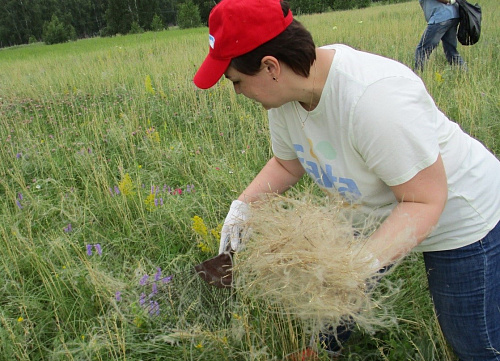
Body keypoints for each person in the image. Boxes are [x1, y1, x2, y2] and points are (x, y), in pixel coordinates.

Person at [193, 0, 500, 359]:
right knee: (331, 283)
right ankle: (323, 351)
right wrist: (244, 206)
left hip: (457, 216)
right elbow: (288, 163)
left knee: (475, 341)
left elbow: (425, 200)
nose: (239, 92)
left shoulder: (374, 99)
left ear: (270, 66)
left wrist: (361, 264)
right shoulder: (287, 97)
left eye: (237, 82)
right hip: (375, 206)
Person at [415, 0, 466, 71]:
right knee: (450, 50)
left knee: (422, 49)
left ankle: (418, 76)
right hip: (452, 15)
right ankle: (463, 73)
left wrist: (449, 1)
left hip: (440, 17)